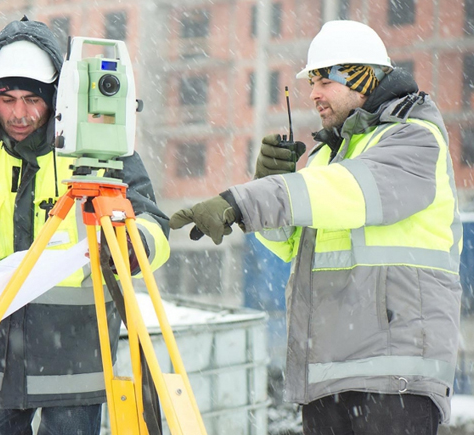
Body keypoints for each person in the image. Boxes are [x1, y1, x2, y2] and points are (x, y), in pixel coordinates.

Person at [170, 20, 461, 435]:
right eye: (311, 82)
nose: (313, 94)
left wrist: (248, 200)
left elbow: (351, 193)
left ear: (362, 74)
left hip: (394, 378)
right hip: (329, 379)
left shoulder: (412, 137)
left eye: (325, 79)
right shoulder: (329, 154)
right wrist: (263, 189)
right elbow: (292, 247)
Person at [0, 17, 171, 434]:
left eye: (32, 98)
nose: (19, 113)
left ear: (56, 96)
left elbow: (156, 225)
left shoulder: (102, 157)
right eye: (7, 99)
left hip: (75, 365)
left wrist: (129, 245)